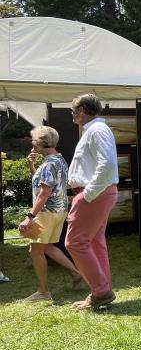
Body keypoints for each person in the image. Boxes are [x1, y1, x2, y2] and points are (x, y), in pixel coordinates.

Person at [66, 94, 119, 310]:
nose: (72, 113)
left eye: (74, 109)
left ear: (84, 109)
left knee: (75, 242)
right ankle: (101, 290)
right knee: (94, 242)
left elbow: (106, 165)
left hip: (94, 194)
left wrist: (86, 194)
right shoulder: (95, 129)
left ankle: (101, 291)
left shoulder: (96, 130)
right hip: (98, 192)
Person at [18, 126, 83, 301]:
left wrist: (29, 217)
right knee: (47, 247)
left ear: (41, 143)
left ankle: (43, 292)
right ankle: (76, 273)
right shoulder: (59, 160)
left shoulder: (48, 164)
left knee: (35, 250)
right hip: (59, 211)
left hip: (46, 213)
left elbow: (44, 193)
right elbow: (45, 185)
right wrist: (32, 166)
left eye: (34, 142)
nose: (32, 146)